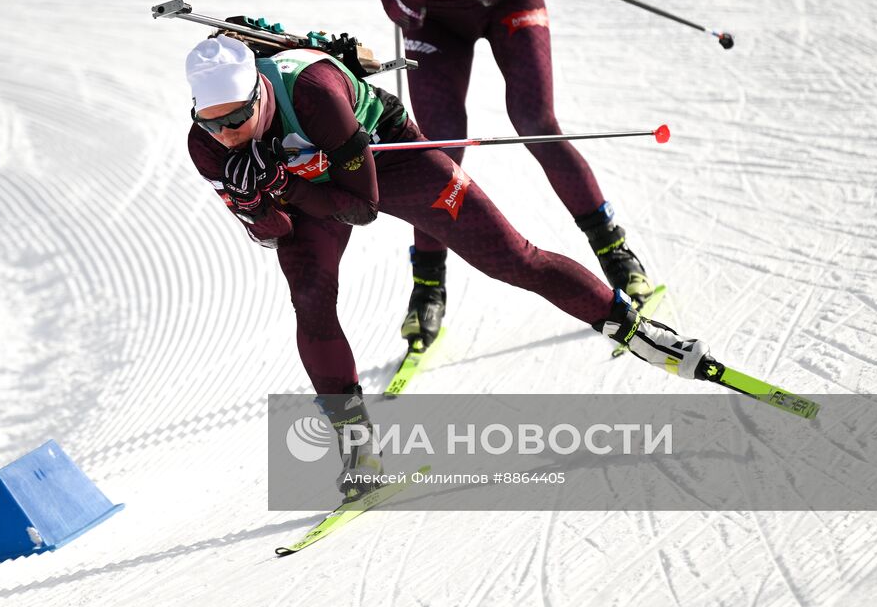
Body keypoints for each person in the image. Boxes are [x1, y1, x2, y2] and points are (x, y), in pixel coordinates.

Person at [183, 35, 713, 497]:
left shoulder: (314, 93)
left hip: (390, 160)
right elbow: (271, 235)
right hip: (307, 191)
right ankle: (358, 449)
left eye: (236, 118)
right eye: (211, 123)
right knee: (310, 299)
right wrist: (256, 203)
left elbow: (362, 207)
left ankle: (636, 331)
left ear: (259, 92)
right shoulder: (205, 146)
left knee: (512, 259)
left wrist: (285, 184)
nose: (227, 133)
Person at [343, 0, 658, 354]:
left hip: (507, 0)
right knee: (435, 149)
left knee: (535, 122)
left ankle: (615, 252)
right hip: (436, 21)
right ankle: (427, 287)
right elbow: (396, 9)